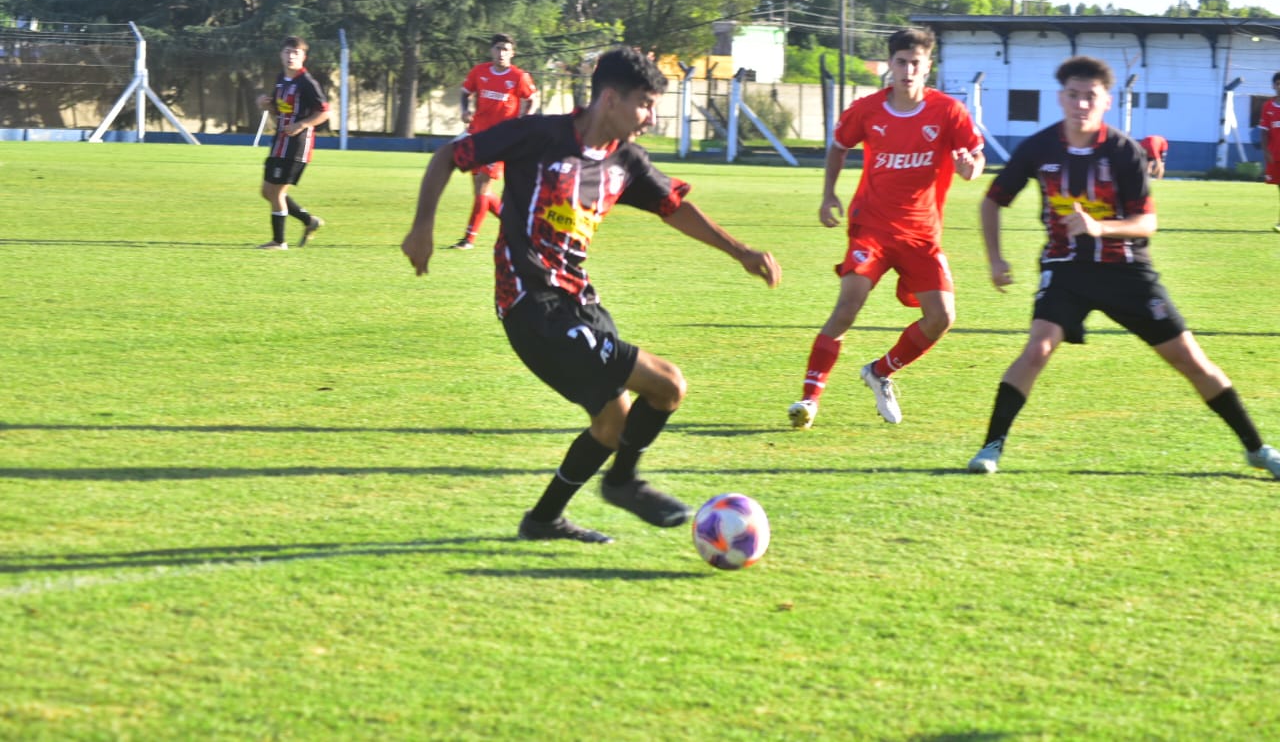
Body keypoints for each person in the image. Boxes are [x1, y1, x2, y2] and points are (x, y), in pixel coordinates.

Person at [401, 47, 781, 543]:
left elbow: (674, 208)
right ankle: (623, 482)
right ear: (609, 98)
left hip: (578, 300)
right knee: (668, 384)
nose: (651, 117)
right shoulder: (538, 135)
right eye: (644, 104)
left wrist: (741, 252)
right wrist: (422, 228)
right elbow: (450, 155)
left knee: (612, 422)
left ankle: (543, 521)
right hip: (529, 304)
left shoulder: (627, 160)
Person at [969, 55, 1278, 477]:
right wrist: (996, 259)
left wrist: (1099, 227)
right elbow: (992, 201)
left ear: (1106, 101)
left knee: (1189, 358)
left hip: (1126, 270)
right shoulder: (1039, 147)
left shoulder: (1122, 152)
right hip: (1066, 270)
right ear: (1061, 98)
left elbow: (1147, 222)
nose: (1081, 104)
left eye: (1090, 97)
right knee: (1037, 348)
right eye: (1073, 96)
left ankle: (1257, 448)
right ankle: (990, 448)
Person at [788, 27, 985, 430]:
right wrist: (828, 195)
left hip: (921, 234)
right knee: (848, 306)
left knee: (942, 317)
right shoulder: (868, 109)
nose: (908, 70)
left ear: (928, 67)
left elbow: (975, 158)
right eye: (901, 62)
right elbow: (839, 146)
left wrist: (970, 168)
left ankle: (880, 371)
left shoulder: (948, 112)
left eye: (916, 63)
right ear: (889, 66)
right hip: (871, 228)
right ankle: (808, 400)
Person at [449, 33, 539, 250]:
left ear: (512, 53)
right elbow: (464, 92)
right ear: (492, 50)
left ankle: (469, 239)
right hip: (477, 137)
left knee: (483, 187)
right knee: (481, 192)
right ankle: (520, 227)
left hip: (502, 140)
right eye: (498, 48)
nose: (502, 53)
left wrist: (524, 121)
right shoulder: (479, 72)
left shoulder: (518, 76)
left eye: (506, 49)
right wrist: (464, 110)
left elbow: (532, 98)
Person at [255, 36, 329, 250]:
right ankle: (309, 221)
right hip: (279, 141)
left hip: (297, 146)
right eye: (288, 52)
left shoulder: (307, 83)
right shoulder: (281, 79)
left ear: (304, 57)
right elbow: (279, 110)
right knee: (267, 191)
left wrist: (301, 125)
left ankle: (279, 242)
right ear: (281, 55)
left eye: (296, 53)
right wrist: (265, 104)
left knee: (276, 192)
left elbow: (324, 112)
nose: (291, 57)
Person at [1257, 71, 1280, 233]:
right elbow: (1264, 131)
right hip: (1276, 155)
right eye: (1278, 83)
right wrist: (1266, 151)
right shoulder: (1268, 107)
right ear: (1273, 86)